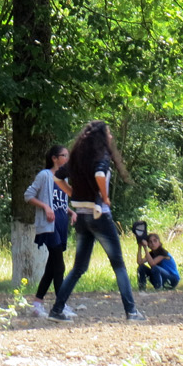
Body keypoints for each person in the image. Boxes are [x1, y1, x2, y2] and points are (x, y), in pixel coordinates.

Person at [48, 121, 147, 322]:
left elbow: (58, 177)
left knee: (79, 268)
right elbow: (100, 174)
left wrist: (73, 193)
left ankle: (57, 310)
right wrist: (104, 195)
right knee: (118, 264)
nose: (110, 137)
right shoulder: (101, 156)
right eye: (109, 134)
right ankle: (132, 312)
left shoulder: (77, 157)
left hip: (82, 217)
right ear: (102, 137)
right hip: (99, 215)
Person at [24, 144, 77, 318]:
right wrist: (45, 206)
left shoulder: (64, 178)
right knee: (59, 266)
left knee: (52, 267)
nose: (67, 159)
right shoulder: (44, 175)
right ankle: (59, 305)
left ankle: (38, 303)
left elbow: (61, 202)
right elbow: (28, 195)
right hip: (49, 226)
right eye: (64, 155)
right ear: (54, 158)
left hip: (61, 224)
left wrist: (71, 212)